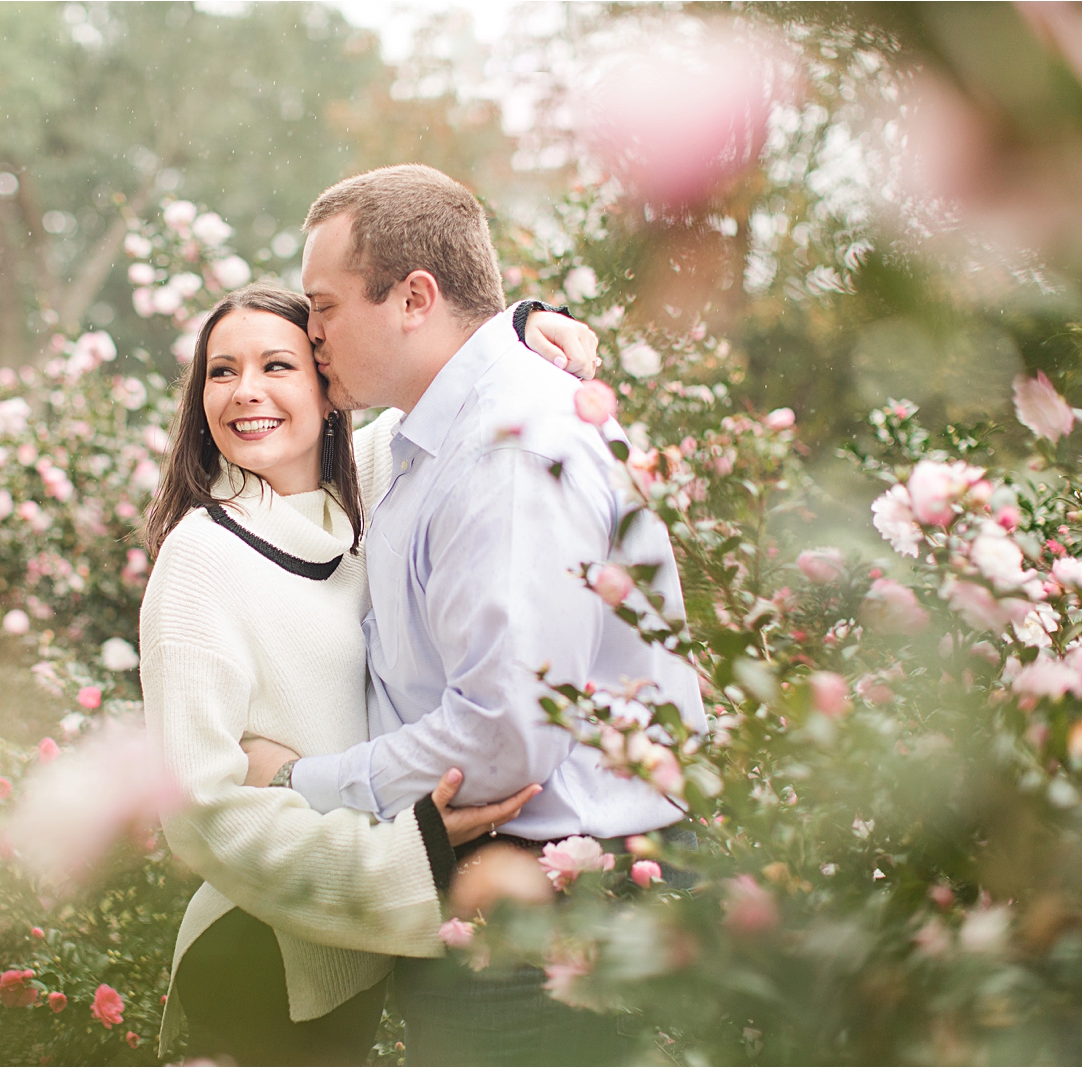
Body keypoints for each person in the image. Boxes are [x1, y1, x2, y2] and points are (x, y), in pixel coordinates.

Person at [239, 163, 707, 1066]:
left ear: (414, 297)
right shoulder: (433, 437)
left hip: (560, 921)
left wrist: (303, 788)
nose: (310, 332)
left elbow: (503, 739)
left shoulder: (510, 447)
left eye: (323, 306)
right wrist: (526, 321)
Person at [141, 284, 597, 1065]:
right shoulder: (200, 559)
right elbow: (200, 813)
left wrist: (527, 322)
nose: (246, 391)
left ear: (328, 386)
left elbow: (447, 380)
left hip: (347, 959)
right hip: (262, 956)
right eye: (222, 372)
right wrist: (409, 850)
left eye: (277, 364)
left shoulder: (360, 489)